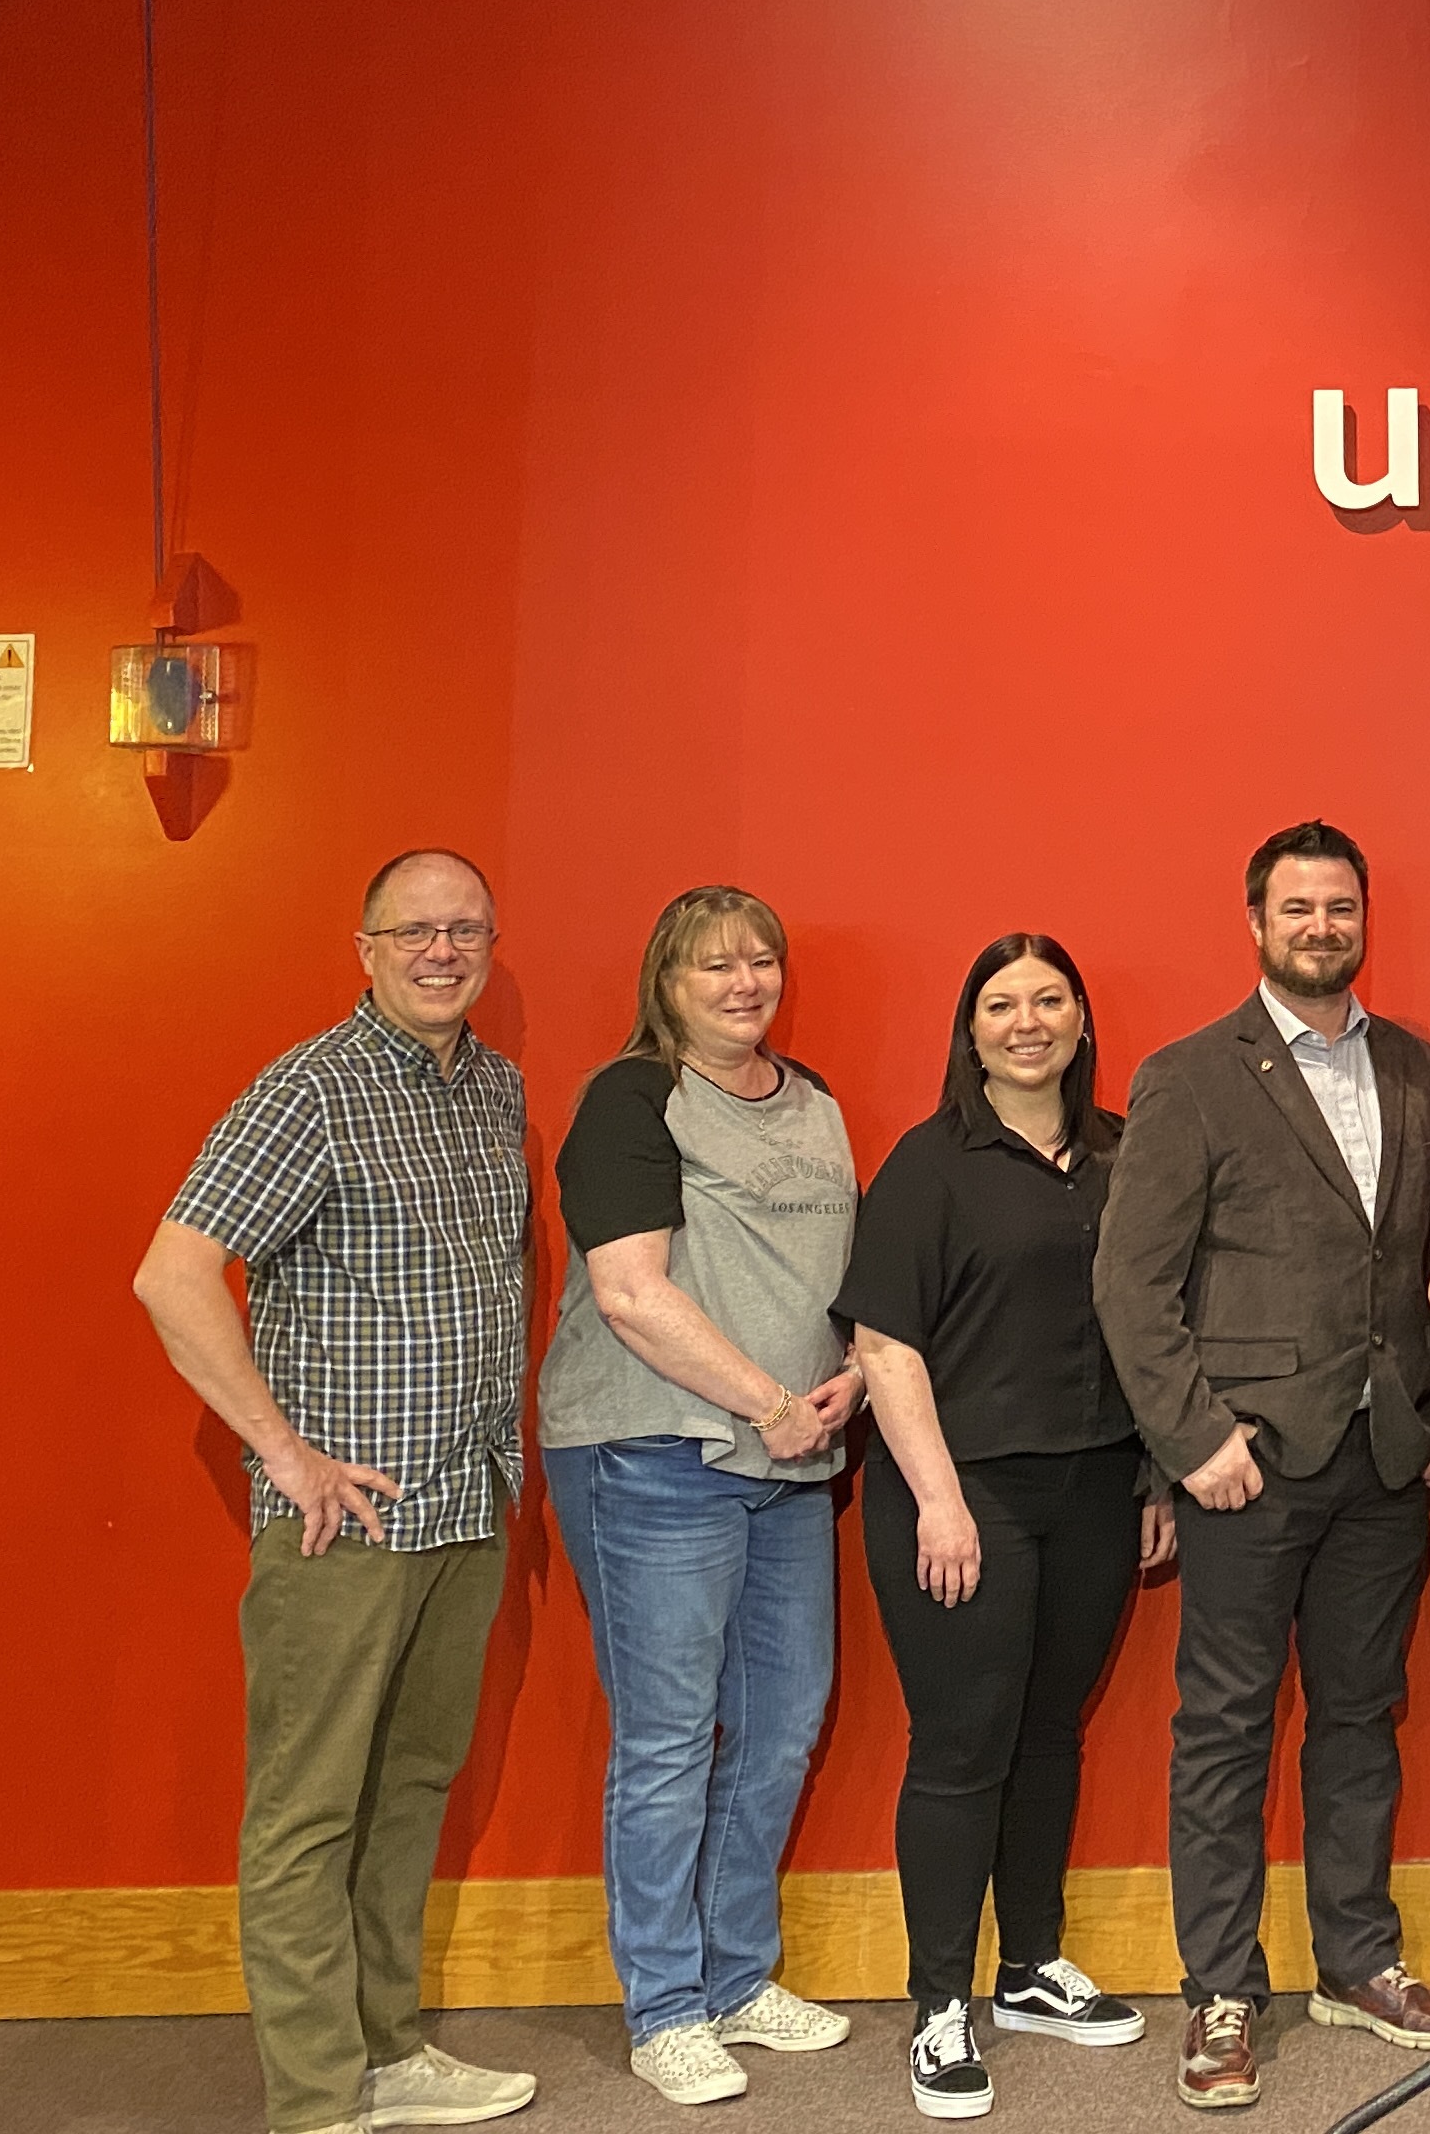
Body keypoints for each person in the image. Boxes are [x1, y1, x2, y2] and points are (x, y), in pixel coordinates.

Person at [129, 850, 540, 2134]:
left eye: (464, 929)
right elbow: (173, 1275)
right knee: (309, 1809)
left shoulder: (494, 1090)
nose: (441, 951)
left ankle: (388, 2049)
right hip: (344, 1522)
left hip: (466, 1502)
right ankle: (314, 2099)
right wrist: (282, 1451)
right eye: (412, 931)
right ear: (362, 947)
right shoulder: (308, 1090)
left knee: (409, 1787)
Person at [1094, 823, 1430, 2110]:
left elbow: (1424, 1262)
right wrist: (1193, 1443)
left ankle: (1355, 1958)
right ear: (1255, 921)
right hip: (1243, 1465)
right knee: (1224, 1731)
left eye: (1341, 906)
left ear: (1366, 919)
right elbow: (1131, 1282)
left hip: (1380, 1458)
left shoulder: (1417, 1067)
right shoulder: (1191, 1075)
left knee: (1363, 1719)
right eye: (1298, 907)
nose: (1322, 925)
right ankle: (1219, 1993)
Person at [538, 885, 868, 2108]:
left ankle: (736, 1978)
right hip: (656, 1454)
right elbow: (631, 1292)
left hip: (791, 1463)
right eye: (711, 968)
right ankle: (664, 2006)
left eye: (761, 962)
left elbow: (829, 1277)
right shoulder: (632, 1099)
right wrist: (770, 1402)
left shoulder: (817, 1100)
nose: (743, 984)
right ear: (664, 985)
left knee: (781, 1726)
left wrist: (839, 1391)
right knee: (670, 1739)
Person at [841, 934, 1173, 2124]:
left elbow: (1150, 1328)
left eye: (1048, 1000)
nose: (1026, 1021)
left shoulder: (1126, 1156)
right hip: (959, 1496)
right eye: (1000, 1003)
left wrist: (1153, 1481)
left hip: (1091, 1491)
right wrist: (937, 1497)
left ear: (1082, 1019)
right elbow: (883, 1345)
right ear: (969, 1028)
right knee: (963, 1744)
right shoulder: (930, 1166)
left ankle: (1030, 1967)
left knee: (1050, 1735)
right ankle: (940, 2005)